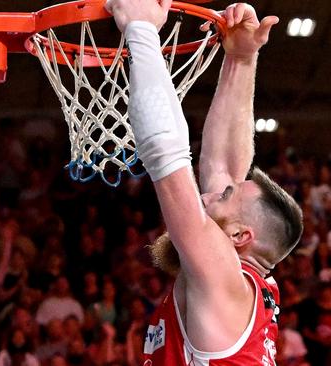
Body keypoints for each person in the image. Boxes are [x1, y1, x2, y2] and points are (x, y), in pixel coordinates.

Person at [104, 0, 303, 364]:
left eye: (224, 197)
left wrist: (142, 30)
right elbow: (225, 166)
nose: (207, 194)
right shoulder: (239, 285)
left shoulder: (225, 281)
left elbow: (167, 159)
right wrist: (241, 59)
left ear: (240, 236)